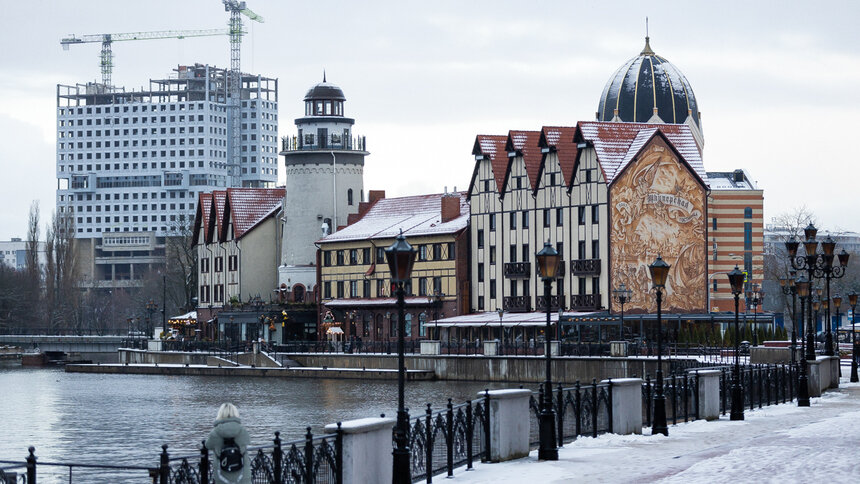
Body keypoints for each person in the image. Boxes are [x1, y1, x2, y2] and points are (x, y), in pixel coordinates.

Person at [205, 403, 251, 484]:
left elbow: (207, 445)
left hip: (222, 476)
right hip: (242, 475)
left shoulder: (215, 432)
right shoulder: (242, 430)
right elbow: (248, 441)